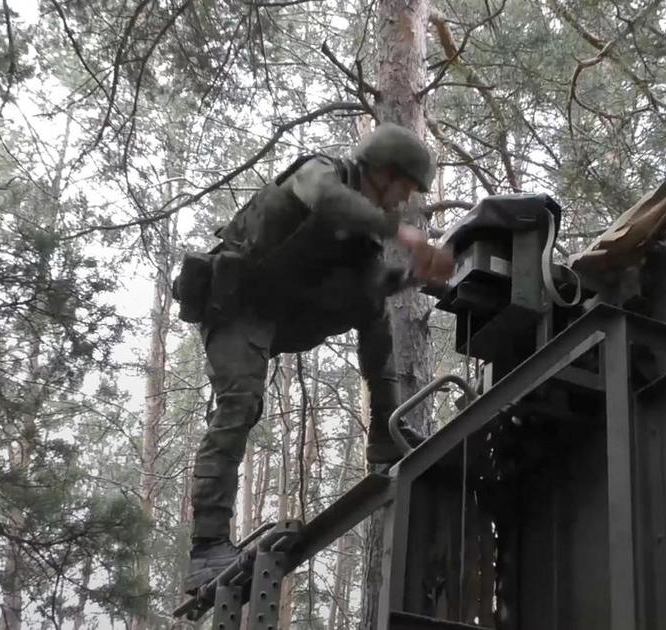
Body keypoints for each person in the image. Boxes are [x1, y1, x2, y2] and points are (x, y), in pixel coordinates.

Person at [173, 122, 456, 593]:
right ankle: (206, 548)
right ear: (383, 171)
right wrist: (403, 236)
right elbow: (325, 199)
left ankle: (384, 434)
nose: (402, 201)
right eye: (403, 187)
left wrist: (413, 274)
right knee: (240, 404)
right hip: (234, 304)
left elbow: (368, 291)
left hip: (282, 312)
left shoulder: (361, 237)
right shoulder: (321, 171)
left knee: (375, 309)